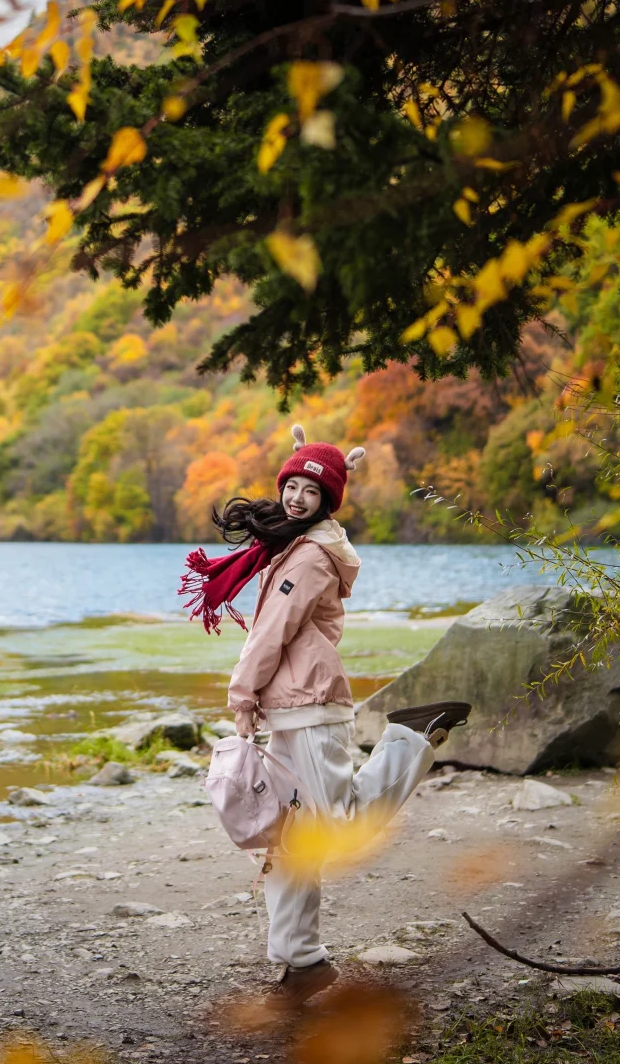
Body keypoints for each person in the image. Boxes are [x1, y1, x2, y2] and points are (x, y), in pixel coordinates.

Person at [180, 425, 436, 999]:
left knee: (337, 824)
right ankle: (302, 962)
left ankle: (409, 741)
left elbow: (273, 630)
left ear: (327, 501)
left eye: (310, 491)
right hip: (289, 708)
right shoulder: (293, 546)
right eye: (292, 485)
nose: (296, 497)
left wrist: (241, 693)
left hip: (314, 707)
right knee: (288, 838)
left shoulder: (314, 555)